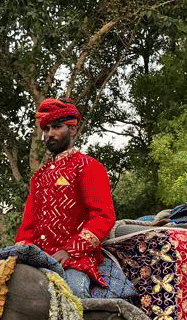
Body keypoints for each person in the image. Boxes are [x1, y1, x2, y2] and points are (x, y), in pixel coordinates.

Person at [14, 97, 116, 296]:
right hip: (38, 260)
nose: (49, 134)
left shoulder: (88, 167)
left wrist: (70, 251)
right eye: (46, 129)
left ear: (72, 129)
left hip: (75, 260)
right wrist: (22, 253)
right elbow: (27, 228)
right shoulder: (39, 177)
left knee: (73, 294)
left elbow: (103, 216)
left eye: (56, 127)